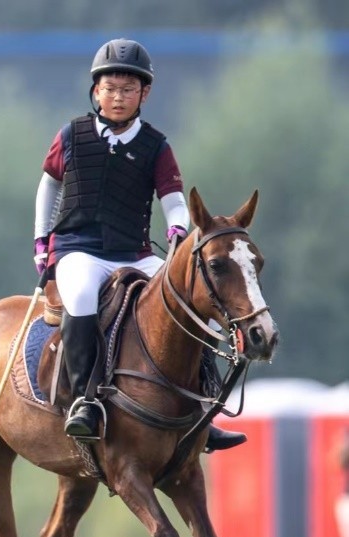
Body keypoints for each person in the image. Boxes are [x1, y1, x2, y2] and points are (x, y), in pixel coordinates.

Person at [33, 38, 245, 450]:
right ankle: (84, 401)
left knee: (195, 305)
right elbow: (49, 184)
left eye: (128, 90)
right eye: (110, 88)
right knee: (79, 297)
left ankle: (205, 410)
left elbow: (173, 199)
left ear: (143, 94)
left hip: (134, 254)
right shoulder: (71, 134)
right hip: (79, 249)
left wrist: (178, 230)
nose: (117, 97)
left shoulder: (156, 146)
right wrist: (42, 240)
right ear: (96, 91)